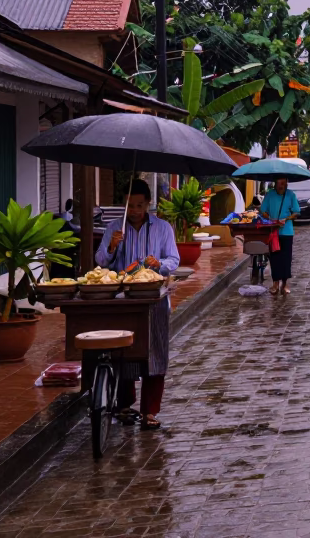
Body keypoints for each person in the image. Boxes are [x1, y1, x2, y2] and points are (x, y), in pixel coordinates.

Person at [95, 179, 179, 430]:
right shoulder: (113, 228)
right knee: (124, 351)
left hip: (155, 299)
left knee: (155, 353)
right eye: (130, 205)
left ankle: (150, 411)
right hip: (123, 301)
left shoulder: (163, 228)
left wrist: (159, 264)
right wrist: (112, 246)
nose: (134, 211)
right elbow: (100, 261)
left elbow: (174, 258)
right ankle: (124, 404)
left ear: (148, 204)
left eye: (140, 205)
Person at [259, 178, 300, 295]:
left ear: (286, 183)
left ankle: (285, 283)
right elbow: (263, 210)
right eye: (279, 183)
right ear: (275, 184)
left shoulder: (291, 195)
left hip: (287, 231)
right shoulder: (270, 194)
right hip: (273, 232)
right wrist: (270, 219)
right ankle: (275, 283)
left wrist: (286, 219)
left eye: (283, 183)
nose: (281, 186)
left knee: (286, 258)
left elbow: (296, 212)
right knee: (275, 258)